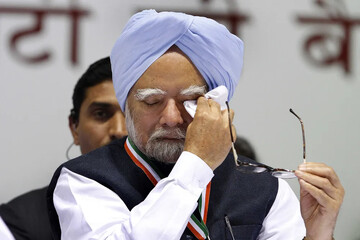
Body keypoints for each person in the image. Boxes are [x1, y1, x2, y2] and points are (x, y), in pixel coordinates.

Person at [47, 10, 344, 240]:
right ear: (127, 107)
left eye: (190, 101)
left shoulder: (266, 189)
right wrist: (196, 166)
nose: (172, 118)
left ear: (218, 106)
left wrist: (318, 235)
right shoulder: (83, 180)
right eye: (152, 102)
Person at [0, 57, 127, 240]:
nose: (119, 130)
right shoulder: (16, 224)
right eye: (101, 114)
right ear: (74, 127)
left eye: (129, 114)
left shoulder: (177, 204)